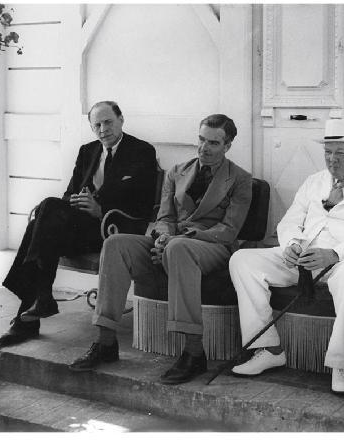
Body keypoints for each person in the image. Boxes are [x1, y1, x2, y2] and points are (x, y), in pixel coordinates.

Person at [69, 114, 252, 385]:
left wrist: (178, 239)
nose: (204, 148)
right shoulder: (177, 171)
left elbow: (229, 230)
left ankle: (193, 352)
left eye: (213, 143)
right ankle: (106, 342)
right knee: (116, 244)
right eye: (201, 140)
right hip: (172, 242)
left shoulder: (240, 179)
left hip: (211, 246)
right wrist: (163, 238)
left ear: (228, 145)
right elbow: (165, 218)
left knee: (178, 248)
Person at [228, 119, 344, 394]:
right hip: (306, 258)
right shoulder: (314, 182)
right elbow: (289, 222)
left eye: (340, 153)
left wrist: (335, 253)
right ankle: (268, 349)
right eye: (328, 153)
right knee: (243, 260)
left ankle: (340, 364)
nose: (332, 160)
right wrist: (291, 245)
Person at [0, 101, 157, 349]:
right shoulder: (87, 151)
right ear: (91, 128)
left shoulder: (142, 151)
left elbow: (143, 207)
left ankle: (31, 310)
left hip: (112, 232)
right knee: (47, 210)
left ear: (121, 119)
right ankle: (40, 300)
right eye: (97, 125)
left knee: (42, 221)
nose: (103, 129)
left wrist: (100, 210)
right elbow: (69, 195)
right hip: (79, 229)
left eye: (108, 122)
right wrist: (77, 203)